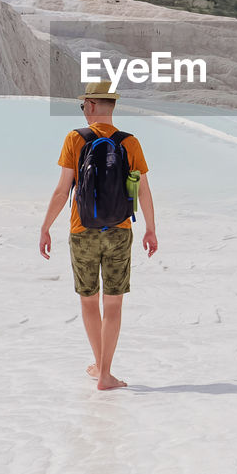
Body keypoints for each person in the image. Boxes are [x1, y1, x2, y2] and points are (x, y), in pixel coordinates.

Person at [39, 81, 158, 391]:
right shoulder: (130, 142)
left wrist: (45, 227)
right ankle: (105, 372)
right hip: (120, 231)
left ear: (90, 106)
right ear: (112, 107)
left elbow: (62, 190)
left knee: (89, 301)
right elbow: (143, 189)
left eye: (83, 106)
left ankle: (99, 367)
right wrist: (150, 229)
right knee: (114, 304)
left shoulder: (75, 139)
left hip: (82, 231)